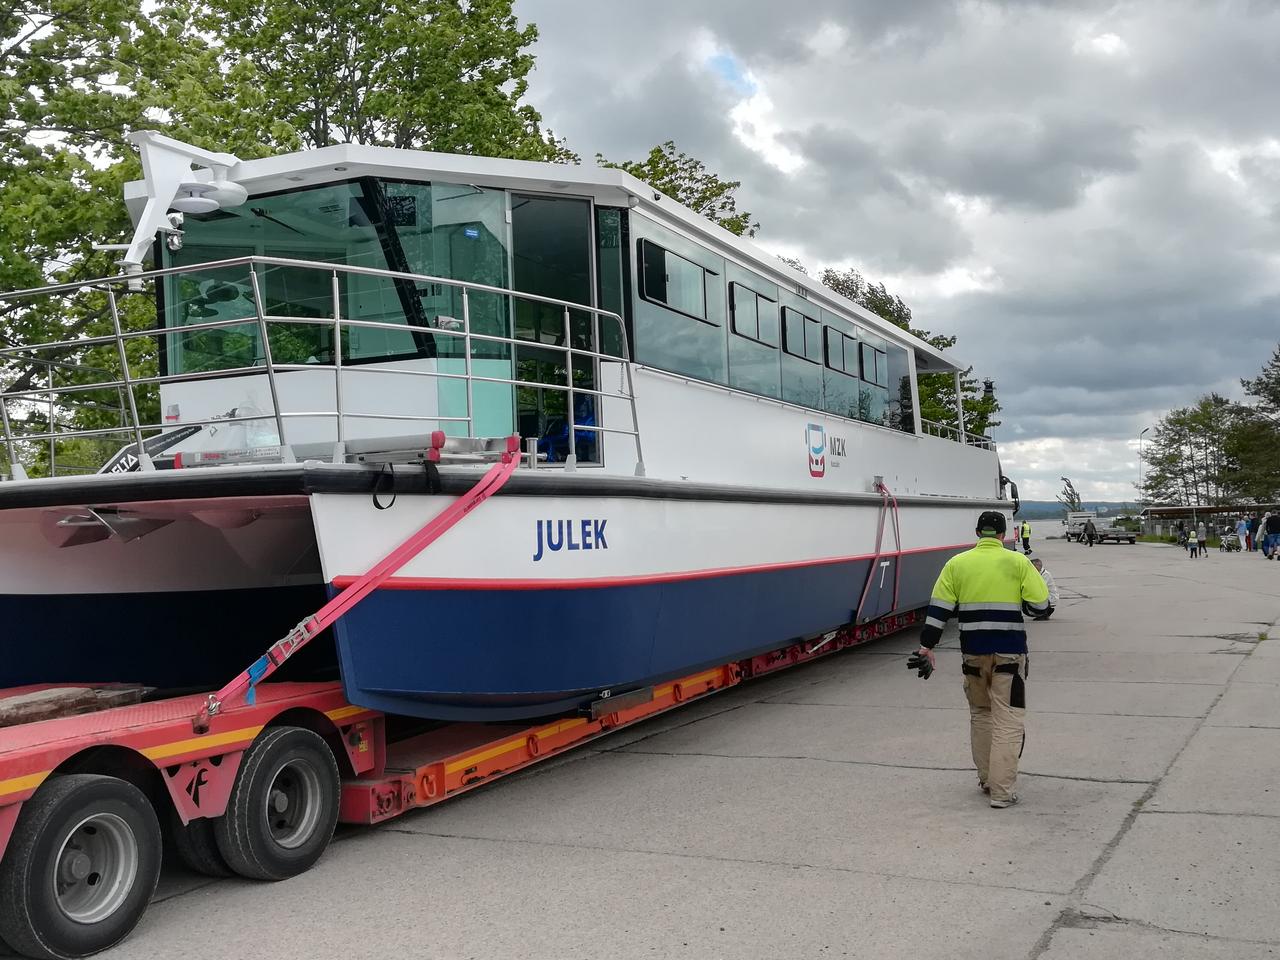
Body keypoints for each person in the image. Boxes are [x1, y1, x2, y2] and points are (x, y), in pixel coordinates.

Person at [914, 511, 1049, 809]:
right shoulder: (1018, 562)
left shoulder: (956, 564)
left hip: (972, 654)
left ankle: (987, 780)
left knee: (981, 714)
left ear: (978, 533)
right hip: (1009, 654)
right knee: (1008, 719)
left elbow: (938, 611)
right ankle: (1002, 792)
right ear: (1003, 535)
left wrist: (927, 647)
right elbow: (1040, 606)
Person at [1027, 556, 1057, 620]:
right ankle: (1043, 611)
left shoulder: (1045, 574)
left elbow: (1040, 587)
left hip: (1050, 597)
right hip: (1046, 596)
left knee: (1035, 595)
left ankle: (1044, 612)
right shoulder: (1036, 573)